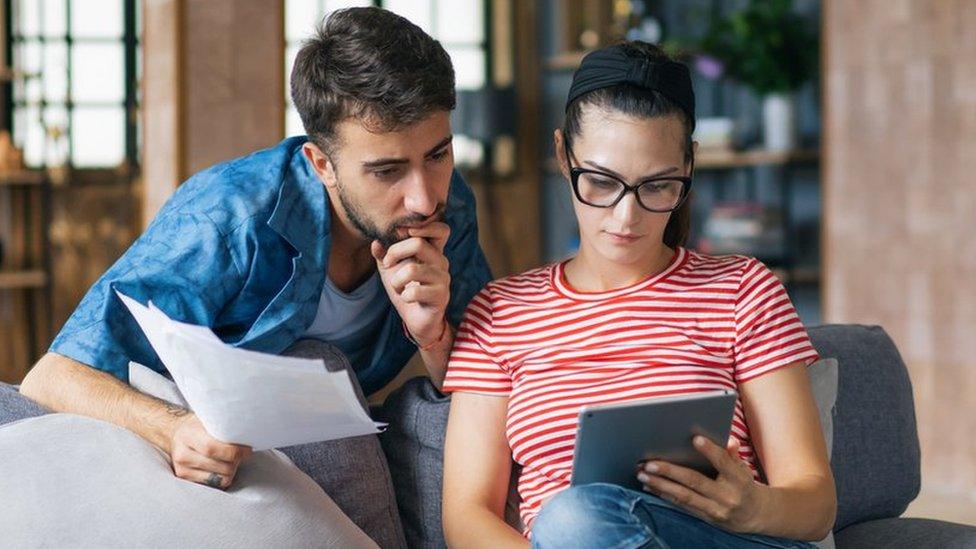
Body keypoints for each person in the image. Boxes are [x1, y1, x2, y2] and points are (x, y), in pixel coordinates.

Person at [12, 6, 490, 493]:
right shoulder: (229, 217)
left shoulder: (449, 207)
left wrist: (432, 336)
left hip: (316, 435)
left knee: (453, 419)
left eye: (438, 155)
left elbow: (485, 379)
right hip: (181, 437)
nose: (424, 197)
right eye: (387, 171)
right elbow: (52, 377)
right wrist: (174, 428)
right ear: (321, 163)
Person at [441, 41, 836, 548]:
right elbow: (466, 517)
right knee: (574, 519)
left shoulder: (743, 290)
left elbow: (816, 504)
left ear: (688, 167)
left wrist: (754, 507)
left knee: (574, 519)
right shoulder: (499, 312)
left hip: (726, 539)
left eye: (657, 186)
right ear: (564, 155)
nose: (627, 218)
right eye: (602, 182)